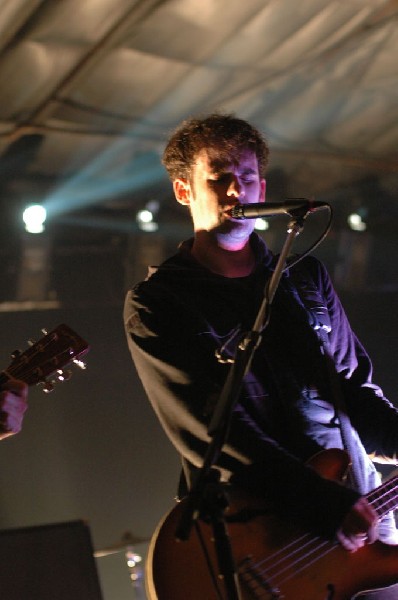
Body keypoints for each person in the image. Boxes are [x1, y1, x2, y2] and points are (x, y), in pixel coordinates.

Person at [124, 113, 398, 598]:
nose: (236, 191)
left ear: (263, 186)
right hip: (262, 538)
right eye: (219, 178)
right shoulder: (160, 302)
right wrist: (322, 504)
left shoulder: (305, 279)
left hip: (359, 517)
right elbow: (212, 430)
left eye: (247, 177)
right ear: (184, 191)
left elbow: (356, 393)